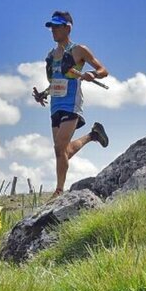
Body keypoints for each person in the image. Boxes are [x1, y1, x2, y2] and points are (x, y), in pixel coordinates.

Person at [33, 11, 110, 199]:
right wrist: (43, 94)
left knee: (59, 148)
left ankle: (59, 191)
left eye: (57, 27)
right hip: (55, 105)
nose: (53, 31)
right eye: (51, 27)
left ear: (68, 28)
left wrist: (93, 74)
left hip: (71, 104)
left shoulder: (79, 50)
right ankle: (93, 135)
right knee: (63, 151)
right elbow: (55, 82)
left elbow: (103, 70)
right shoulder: (51, 55)